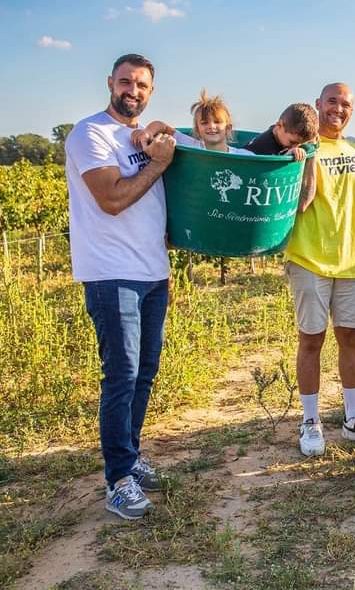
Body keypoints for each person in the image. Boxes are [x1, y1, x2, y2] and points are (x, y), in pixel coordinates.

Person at [65, 53, 176, 520]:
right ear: (110, 82)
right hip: (112, 274)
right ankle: (118, 480)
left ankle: (129, 456)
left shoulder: (146, 134)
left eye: (142, 85)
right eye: (126, 82)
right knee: (122, 374)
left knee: (145, 370)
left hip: (153, 271)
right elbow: (112, 199)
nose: (133, 90)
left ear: (151, 91)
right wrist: (157, 165)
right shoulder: (89, 134)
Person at [285, 82, 355, 457]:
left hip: (352, 264)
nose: (338, 109)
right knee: (311, 340)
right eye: (332, 101)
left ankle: (351, 418)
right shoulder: (300, 152)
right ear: (317, 105)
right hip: (309, 260)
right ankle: (311, 421)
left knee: (352, 340)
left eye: (346, 104)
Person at [134, 90, 253, 155]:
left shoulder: (243, 155)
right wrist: (147, 133)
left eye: (217, 122)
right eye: (204, 123)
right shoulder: (192, 146)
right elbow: (161, 126)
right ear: (197, 129)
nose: (211, 126)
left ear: (228, 128)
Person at [243, 102, 320, 161]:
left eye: (299, 144)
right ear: (279, 125)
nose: (295, 147)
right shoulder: (265, 144)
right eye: (292, 142)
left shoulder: (278, 131)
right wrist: (288, 154)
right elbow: (274, 164)